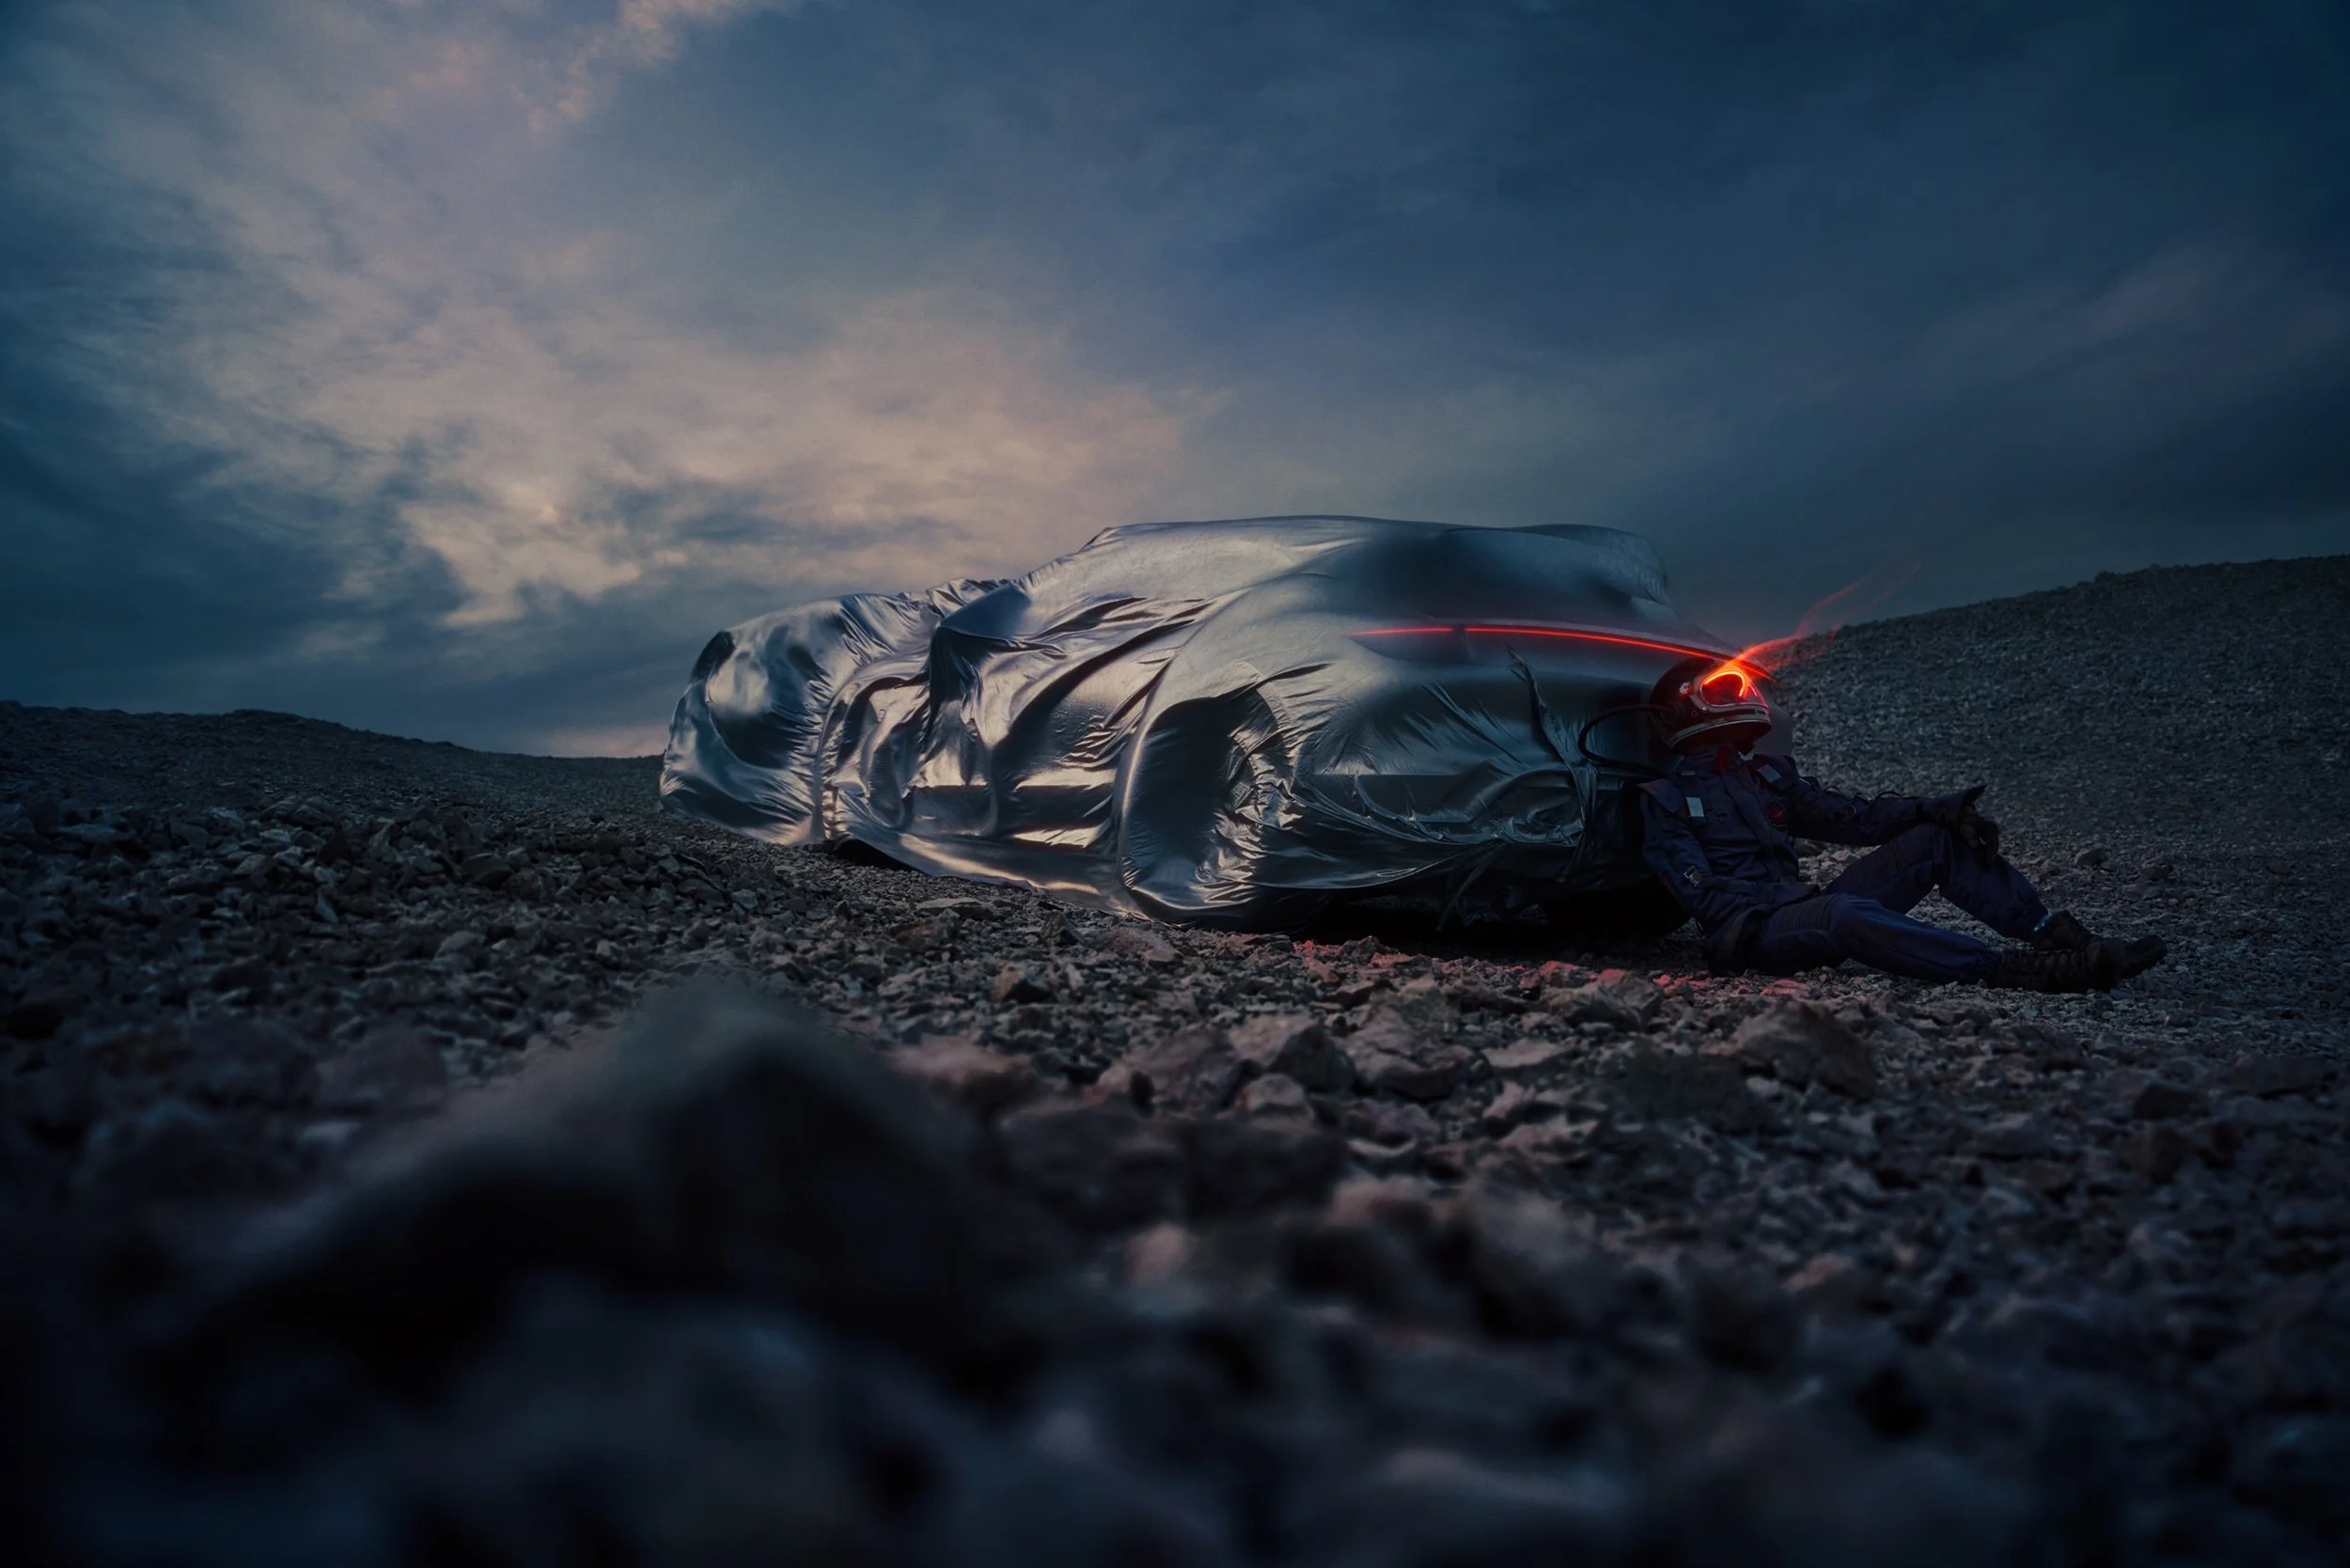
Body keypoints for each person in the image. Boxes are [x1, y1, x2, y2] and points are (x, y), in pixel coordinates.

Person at [1635, 657, 2165, 992]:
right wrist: (1781, 906)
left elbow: (1853, 818)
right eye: (1722, 691)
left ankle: (2059, 938)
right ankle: (2007, 970)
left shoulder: (1766, 776)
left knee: (1934, 840)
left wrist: (1935, 809)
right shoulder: (1667, 797)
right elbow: (1700, 896)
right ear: (1684, 710)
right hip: (1753, 934)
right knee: (1845, 912)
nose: (1738, 699)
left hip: (1801, 906)